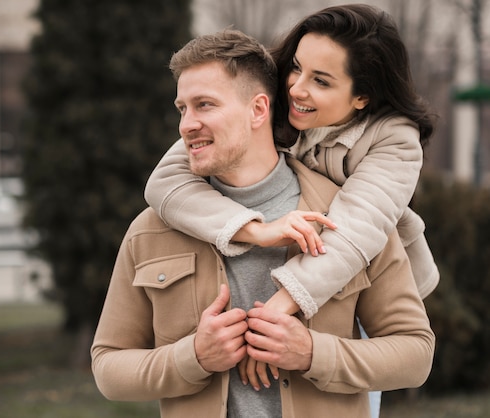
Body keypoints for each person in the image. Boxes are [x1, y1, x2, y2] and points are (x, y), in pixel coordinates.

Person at [91, 29, 435, 418]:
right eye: (182, 108)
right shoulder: (150, 230)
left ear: (259, 109)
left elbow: (415, 354)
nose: (187, 124)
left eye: (204, 105)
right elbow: (108, 367)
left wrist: (311, 353)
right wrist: (193, 358)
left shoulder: (351, 218)